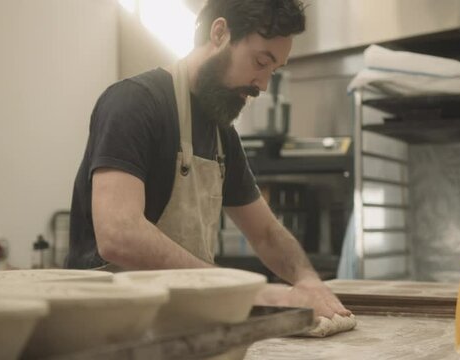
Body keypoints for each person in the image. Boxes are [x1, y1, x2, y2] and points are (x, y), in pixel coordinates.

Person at [67, 0, 350, 319]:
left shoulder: (221, 134)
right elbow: (119, 234)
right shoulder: (133, 104)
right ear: (219, 33)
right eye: (260, 62)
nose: (263, 84)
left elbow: (266, 234)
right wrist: (241, 289)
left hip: (183, 323)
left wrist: (308, 280)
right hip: (108, 326)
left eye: (273, 70)